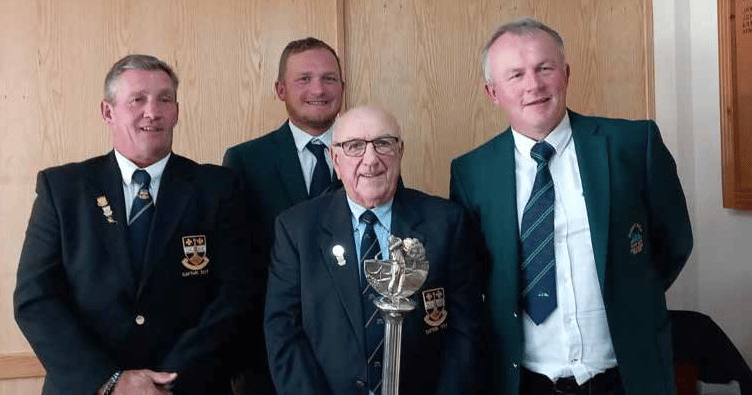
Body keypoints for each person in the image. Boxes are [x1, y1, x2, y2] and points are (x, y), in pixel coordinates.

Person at [449, 17, 693, 395]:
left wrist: (629, 293)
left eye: (544, 68)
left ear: (565, 74)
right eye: (515, 75)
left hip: (627, 376)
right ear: (493, 92)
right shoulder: (471, 173)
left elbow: (674, 243)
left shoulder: (633, 145)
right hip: (524, 382)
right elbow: (474, 275)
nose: (534, 84)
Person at [14, 54, 253, 395]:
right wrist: (111, 381)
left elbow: (235, 295)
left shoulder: (217, 188)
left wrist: (168, 380)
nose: (152, 112)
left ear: (177, 112)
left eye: (164, 99)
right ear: (107, 112)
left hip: (190, 386)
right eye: (137, 99)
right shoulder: (63, 189)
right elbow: (35, 299)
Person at [264, 106, 480, 395]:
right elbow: (283, 333)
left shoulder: (445, 223)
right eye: (354, 146)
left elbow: (465, 332)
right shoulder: (296, 230)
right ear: (335, 159)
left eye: (383, 144)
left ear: (400, 151)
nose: (371, 160)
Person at [222, 37, 344, 394]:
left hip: (358, 351)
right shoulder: (245, 161)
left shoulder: (374, 152)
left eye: (329, 78)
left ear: (342, 86)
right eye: (303, 79)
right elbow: (238, 267)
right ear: (280, 89)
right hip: (271, 355)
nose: (318, 89)